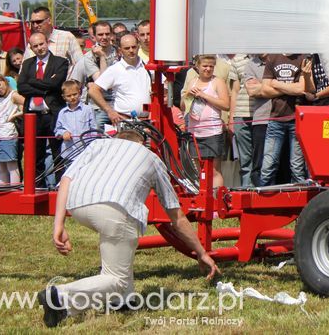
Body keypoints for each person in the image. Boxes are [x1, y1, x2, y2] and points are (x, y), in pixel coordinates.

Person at [40, 130, 218, 327]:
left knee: (121, 242)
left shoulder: (98, 145)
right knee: (117, 279)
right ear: (142, 143)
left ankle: (123, 302)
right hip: (116, 207)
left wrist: (59, 224)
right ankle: (59, 297)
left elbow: (66, 179)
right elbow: (176, 216)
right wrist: (201, 252)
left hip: (77, 205)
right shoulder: (151, 158)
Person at [18, 32, 69, 188]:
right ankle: (37, 185)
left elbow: (56, 85)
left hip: (52, 113)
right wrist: (45, 85)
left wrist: (32, 82)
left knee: (57, 152)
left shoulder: (60, 62)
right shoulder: (27, 64)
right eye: (35, 46)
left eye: (41, 44)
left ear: (47, 42)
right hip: (33, 115)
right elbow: (21, 87)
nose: (39, 48)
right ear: (31, 48)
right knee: (35, 153)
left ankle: (59, 185)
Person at [258, 54, 313, 186]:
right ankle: (264, 199)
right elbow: (265, 90)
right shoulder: (273, 58)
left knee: (297, 166)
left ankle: (298, 201)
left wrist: (276, 83)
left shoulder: (303, 58)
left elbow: (301, 89)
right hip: (276, 119)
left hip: (297, 120)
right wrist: (290, 88)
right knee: (268, 164)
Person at [183, 55, 230, 189]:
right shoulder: (192, 81)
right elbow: (182, 105)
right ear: (197, 66)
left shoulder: (217, 82)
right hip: (195, 131)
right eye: (205, 66)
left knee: (214, 170)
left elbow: (226, 105)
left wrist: (204, 96)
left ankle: (216, 201)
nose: (208, 69)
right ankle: (203, 197)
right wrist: (188, 95)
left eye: (211, 66)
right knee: (200, 169)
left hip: (212, 131)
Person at [88, 34, 150, 124]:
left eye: (134, 47)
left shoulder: (147, 67)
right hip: (126, 122)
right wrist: (109, 111)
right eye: (127, 48)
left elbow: (164, 87)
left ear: (138, 47)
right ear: (120, 50)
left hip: (148, 122)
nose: (131, 50)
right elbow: (93, 90)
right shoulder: (115, 69)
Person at [71, 21, 118, 131]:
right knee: (97, 140)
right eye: (100, 35)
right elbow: (102, 83)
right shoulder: (89, 57)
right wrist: (102, 57)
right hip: (99, 108)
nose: (104, 37)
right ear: (94, 37)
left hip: (119, 104)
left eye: (107, 34)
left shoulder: (119, 52)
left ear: (111, 34)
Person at [0, 73, 24, 184]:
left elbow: (26, 104)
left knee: (11, 165)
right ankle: (4, 188)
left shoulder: (13, 95)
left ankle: (14, 188)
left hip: (8, 135)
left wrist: (15, 115)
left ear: (5, 82)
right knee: (1, 166)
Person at [244, 54, 271, 187]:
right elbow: (252, 90)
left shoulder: (280, 60)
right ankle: (261, 192)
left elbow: (298, 87)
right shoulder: (251, 64)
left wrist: (262, 86)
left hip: (283, 117)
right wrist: (281, 87)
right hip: (261, 118)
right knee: (259, 163)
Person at [228, 54, 254, 186]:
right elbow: (235, 91)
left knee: (263, 160)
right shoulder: (237, 60)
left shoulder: (268, 57)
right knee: (245, 159)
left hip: (263, 114)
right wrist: (232, 117)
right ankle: (246, 189)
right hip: (241, 114)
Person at [55, 80, 97, 159]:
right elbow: (57, 130)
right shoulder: (62, 113)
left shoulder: (88, 109)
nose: (72, 97)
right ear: (64, 97)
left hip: (86, 151)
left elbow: (94, 129)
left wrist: (92, 143)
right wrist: (63, 133)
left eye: (75, 94)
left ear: (79, 92)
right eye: (69, 96)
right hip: (69, 153)